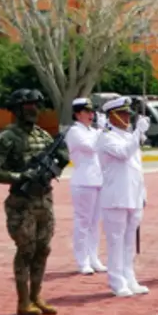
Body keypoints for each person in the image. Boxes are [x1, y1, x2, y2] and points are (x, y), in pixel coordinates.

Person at [0, 89, 70, 315]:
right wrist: (20, 177)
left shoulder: (43, 136)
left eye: (36, 105)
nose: (33, 109)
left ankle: (37, 296)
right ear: (16, 110)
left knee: (43, 249)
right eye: (28, 106)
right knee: (26, 249)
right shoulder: (7, 138)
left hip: (44, 199)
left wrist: (60, 162)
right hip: (22, 202)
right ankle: (23, 300)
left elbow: (57, 161)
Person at [96, 96, 151, 296]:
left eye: (128, 114)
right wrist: (139, 132)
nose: (127, 117)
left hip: (133, 196)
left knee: (129, 242)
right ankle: (117, 281)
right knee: (116, 242)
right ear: (112, 116)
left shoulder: (129, 136)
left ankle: (129, 277)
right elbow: (124, 153)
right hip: (116, 197)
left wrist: (142, 193)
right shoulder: (106, 136)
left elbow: (137, 169)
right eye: (122, 114)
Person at [65, 97, 106, 275]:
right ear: (77, 114)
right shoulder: (75, 131)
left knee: (95, 222)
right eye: (87, 112)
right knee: (83, 222)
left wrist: (100, 131)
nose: (91, 115)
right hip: (83, 181)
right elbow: (90, 147)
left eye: (92, 112)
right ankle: (82, 260)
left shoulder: (92, 131)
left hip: (97, 180)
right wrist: (102, 131)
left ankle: (94, 257)